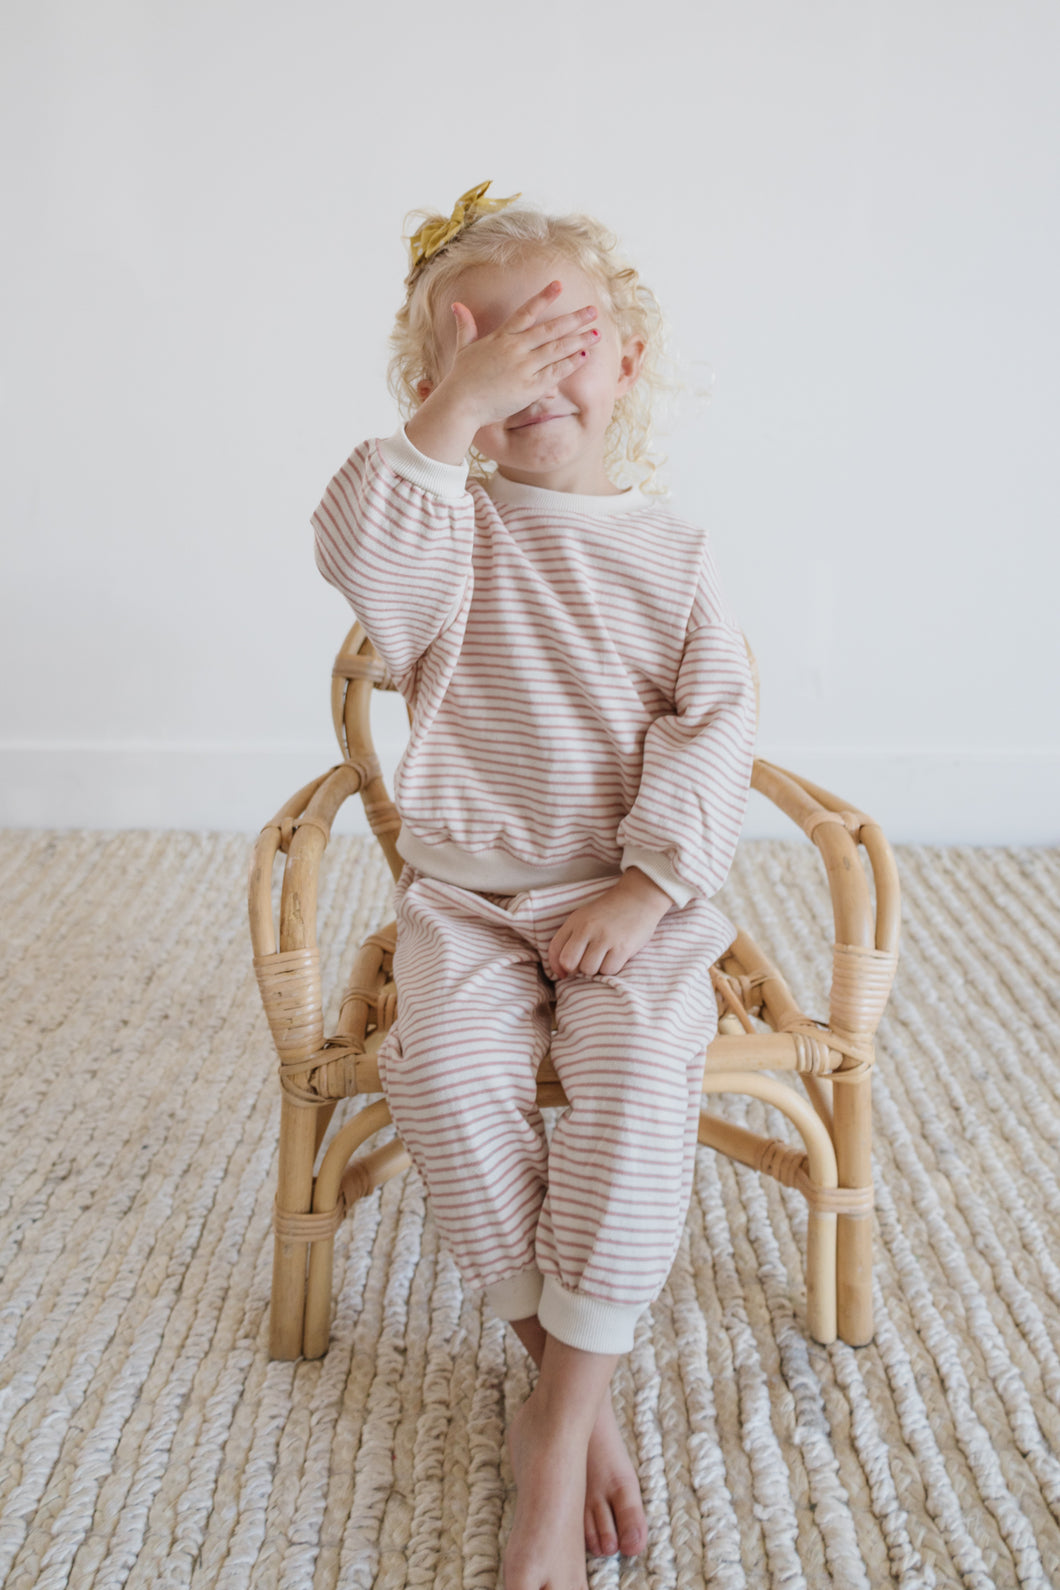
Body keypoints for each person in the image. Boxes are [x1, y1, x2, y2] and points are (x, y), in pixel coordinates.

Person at [313, 181, 757, 1590]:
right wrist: (446, 421)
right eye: (477, 347)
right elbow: (359, 556)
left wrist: (647, 883)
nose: (522, 370)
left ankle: (553, 1443)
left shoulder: (674, 555)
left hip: (635, 899)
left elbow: (717, 720)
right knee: (440, 1065)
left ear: (627, 360)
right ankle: (567, 1386)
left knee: (637, 1080)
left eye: (554, 338)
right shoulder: (448, 538)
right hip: (466, 897)